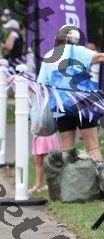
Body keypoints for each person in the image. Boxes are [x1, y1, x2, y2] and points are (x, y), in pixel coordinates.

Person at [37, 26, 104, 159]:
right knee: (92, 146)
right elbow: (99, 58)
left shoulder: (49, 55)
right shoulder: (76, 50)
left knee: (67, 148)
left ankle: (69, 172)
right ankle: (99, 172)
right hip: (83, 104)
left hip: (61, 107)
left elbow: (42, 84)